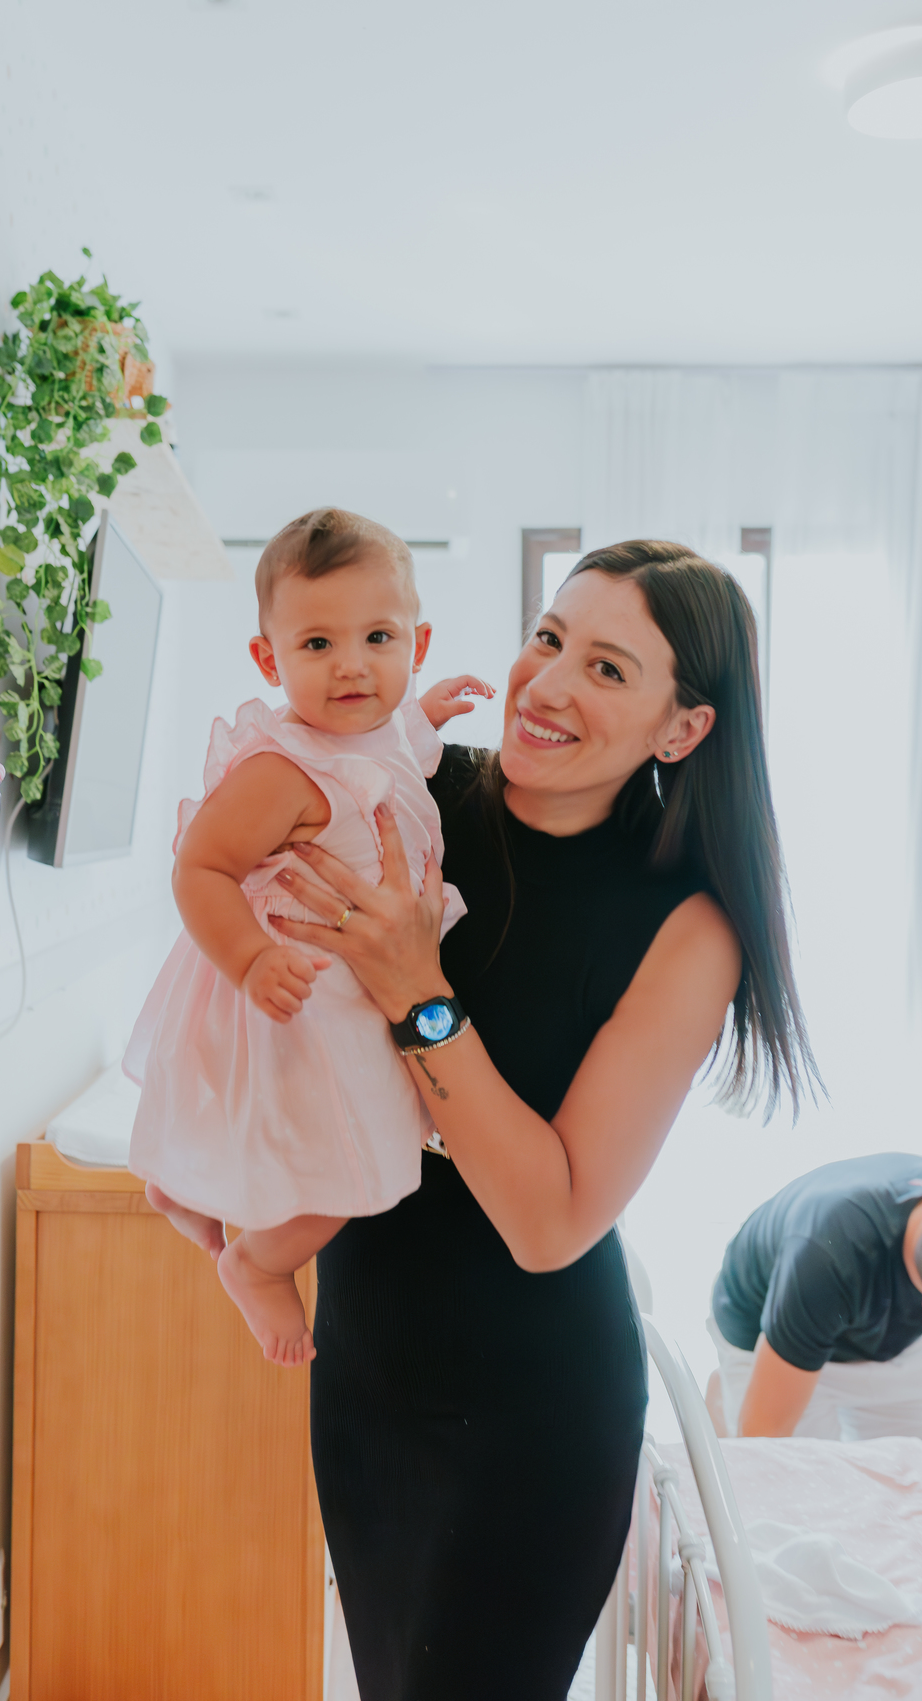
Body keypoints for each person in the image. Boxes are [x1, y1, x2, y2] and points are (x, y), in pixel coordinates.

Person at [273, 539, 818, 1700]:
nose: (550, 682)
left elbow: (549, 1218)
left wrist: (421, 995)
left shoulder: (688, 927)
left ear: (683, 728)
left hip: (531, 1421)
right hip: (365, 1377)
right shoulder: (411, 789)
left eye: (610, 669)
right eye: (549, 637)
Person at [123, 509, 494, 1365]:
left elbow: (395, 750)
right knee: (362, 1167)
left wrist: (425, 714)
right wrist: (252, 961)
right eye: (318, 645)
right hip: (299, 994)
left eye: (378, 637)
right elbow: (199, 870)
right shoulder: (280, 771)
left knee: (331, 1146)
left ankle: (182, 1194)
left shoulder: (380, 731)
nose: (353, 665)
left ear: (417, 642)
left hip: (351, 992)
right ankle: (257, 1264)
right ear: (270, 658)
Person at [708, 1154, 922, 1440]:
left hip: (875, 1324)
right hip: (768, 1336)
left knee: (906, 1473)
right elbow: (767, 1431)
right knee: (792, 1476)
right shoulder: (830, 1253)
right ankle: (725, 1404)